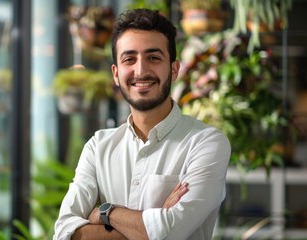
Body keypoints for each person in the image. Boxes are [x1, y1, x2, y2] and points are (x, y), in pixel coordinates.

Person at [53, 8, 231, 240]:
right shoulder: (98, 147)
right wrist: (152, 225)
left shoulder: (206, 143)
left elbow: (171, 232)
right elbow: (63, 232)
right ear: (116, 74)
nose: (141, 70)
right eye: (129, 59)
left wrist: (105, 213)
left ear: (174, 69)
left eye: (153, 58)